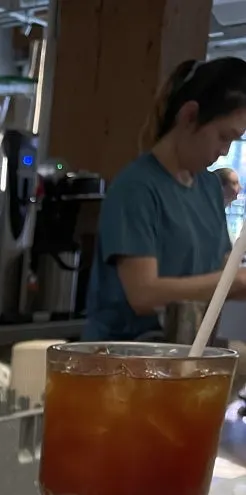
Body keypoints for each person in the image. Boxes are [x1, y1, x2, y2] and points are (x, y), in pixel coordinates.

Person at [84, 58, 246, 341]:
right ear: (189, 115)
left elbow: (222, 269)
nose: (224, 151)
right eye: (223, 136)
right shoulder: (136, 187)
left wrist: (236, 280)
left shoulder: (209, 187)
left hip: (186, 351)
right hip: (126, 357)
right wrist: (232, 282)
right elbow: (143, 293)